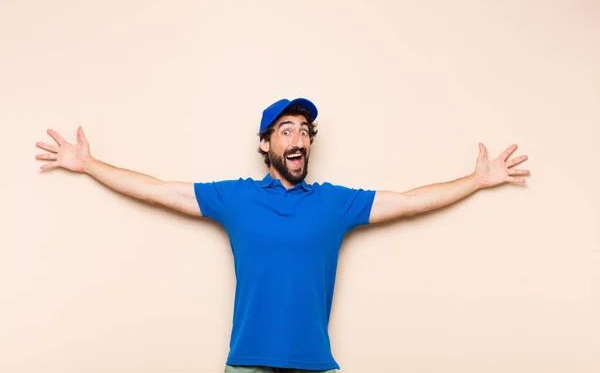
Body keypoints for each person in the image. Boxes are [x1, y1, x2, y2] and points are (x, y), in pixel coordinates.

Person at [35, 98, 530, 373]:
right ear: (266, 143)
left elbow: (408, 201)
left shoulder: (334, 203)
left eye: (305, 130)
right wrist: (88, 165)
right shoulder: (236, 198)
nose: (298, 138)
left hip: (314, 364)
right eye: (286, 129)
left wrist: (476, 180)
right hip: (248, 363)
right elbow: (158, 190)